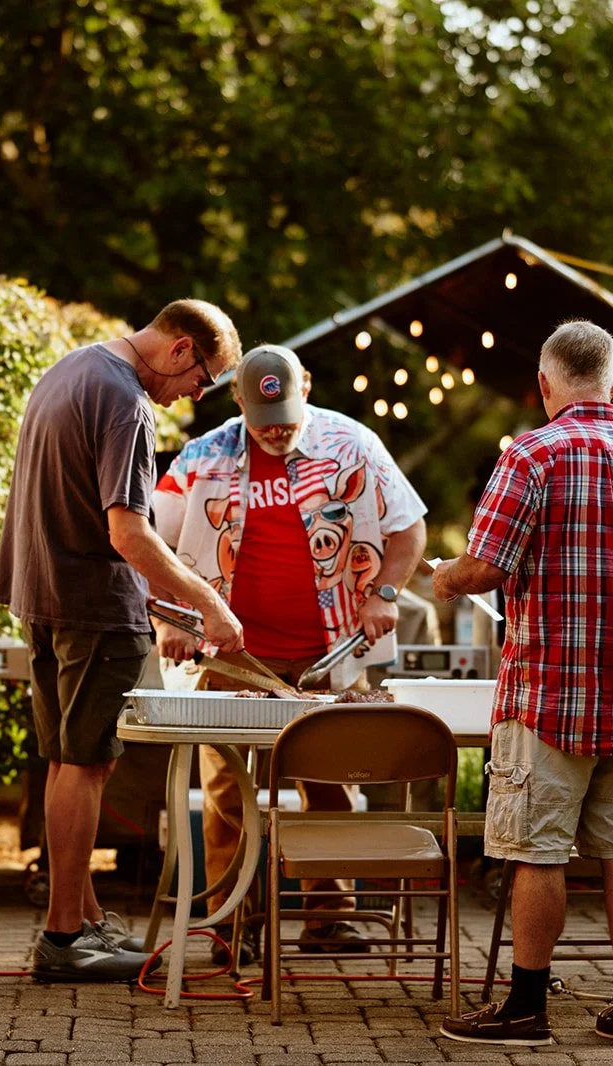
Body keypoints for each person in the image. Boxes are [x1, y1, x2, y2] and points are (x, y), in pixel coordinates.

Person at [432, 321, 613, 1048]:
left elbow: (485, 567)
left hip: (549, 693)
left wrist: (444, 577)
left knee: (536, 852)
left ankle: (525, 1009)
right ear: (612, 381)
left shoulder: (531, 455)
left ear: (547, 383)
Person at [0, 299, 247, 983]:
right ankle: (64, 937)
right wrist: (210, 604)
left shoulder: (71, 370)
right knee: (85, 764)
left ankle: (83, 918)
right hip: (93, 609)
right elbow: (128, 532)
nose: (197, 395)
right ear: (180, 349)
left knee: (66, 759)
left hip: (41, 595)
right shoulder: (127, 402)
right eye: (203, 379)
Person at [153, 344, 428, 958]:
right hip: (234, 653)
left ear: (306, 384)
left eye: (287, 417)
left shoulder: (352, 445)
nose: (276, 432)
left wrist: (386, 592)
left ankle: (330, 916)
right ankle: (229, 924)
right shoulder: (203, 457)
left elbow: (409, 526)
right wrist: (170, 616)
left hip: (329, 653)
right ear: (240, 403)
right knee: (225, 791)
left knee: (332, 780)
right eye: (263, 421)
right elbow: (153, 541)